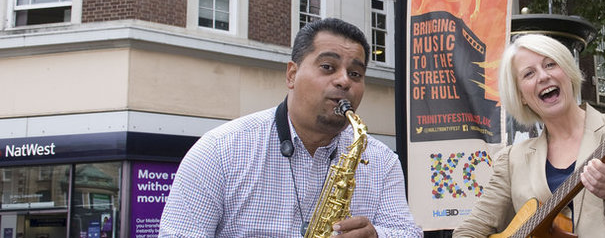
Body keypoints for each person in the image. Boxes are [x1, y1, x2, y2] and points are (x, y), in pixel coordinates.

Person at [159, 18, 422, 237]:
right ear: (292, 75)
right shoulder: (219, 150)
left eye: (355, 74)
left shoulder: (382, 161)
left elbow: (408, 232)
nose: (344, 81)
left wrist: (377, 235)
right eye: (328, 67)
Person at [452, 34, 605, 237]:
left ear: (568, 72)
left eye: (550, 64)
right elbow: (469, 231)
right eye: (529, 73)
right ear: (521, 95)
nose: (543, 76)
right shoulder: (512, 159)